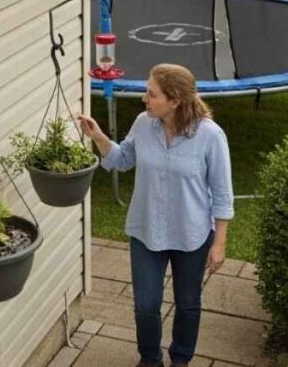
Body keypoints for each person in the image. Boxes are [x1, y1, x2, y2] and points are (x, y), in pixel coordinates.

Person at [77, 65, 234, 367]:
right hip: (146, 230)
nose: (144, 99)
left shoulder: (211, 136)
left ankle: (181, 360)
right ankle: (150, 360)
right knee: (146, 306)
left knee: (188, 304)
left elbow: (222, 193)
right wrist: (98, 137)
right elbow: (122, 159)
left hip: (192, 234)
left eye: (151, 94)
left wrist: (220, 243)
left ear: (174, 100)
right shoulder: (142, 124)